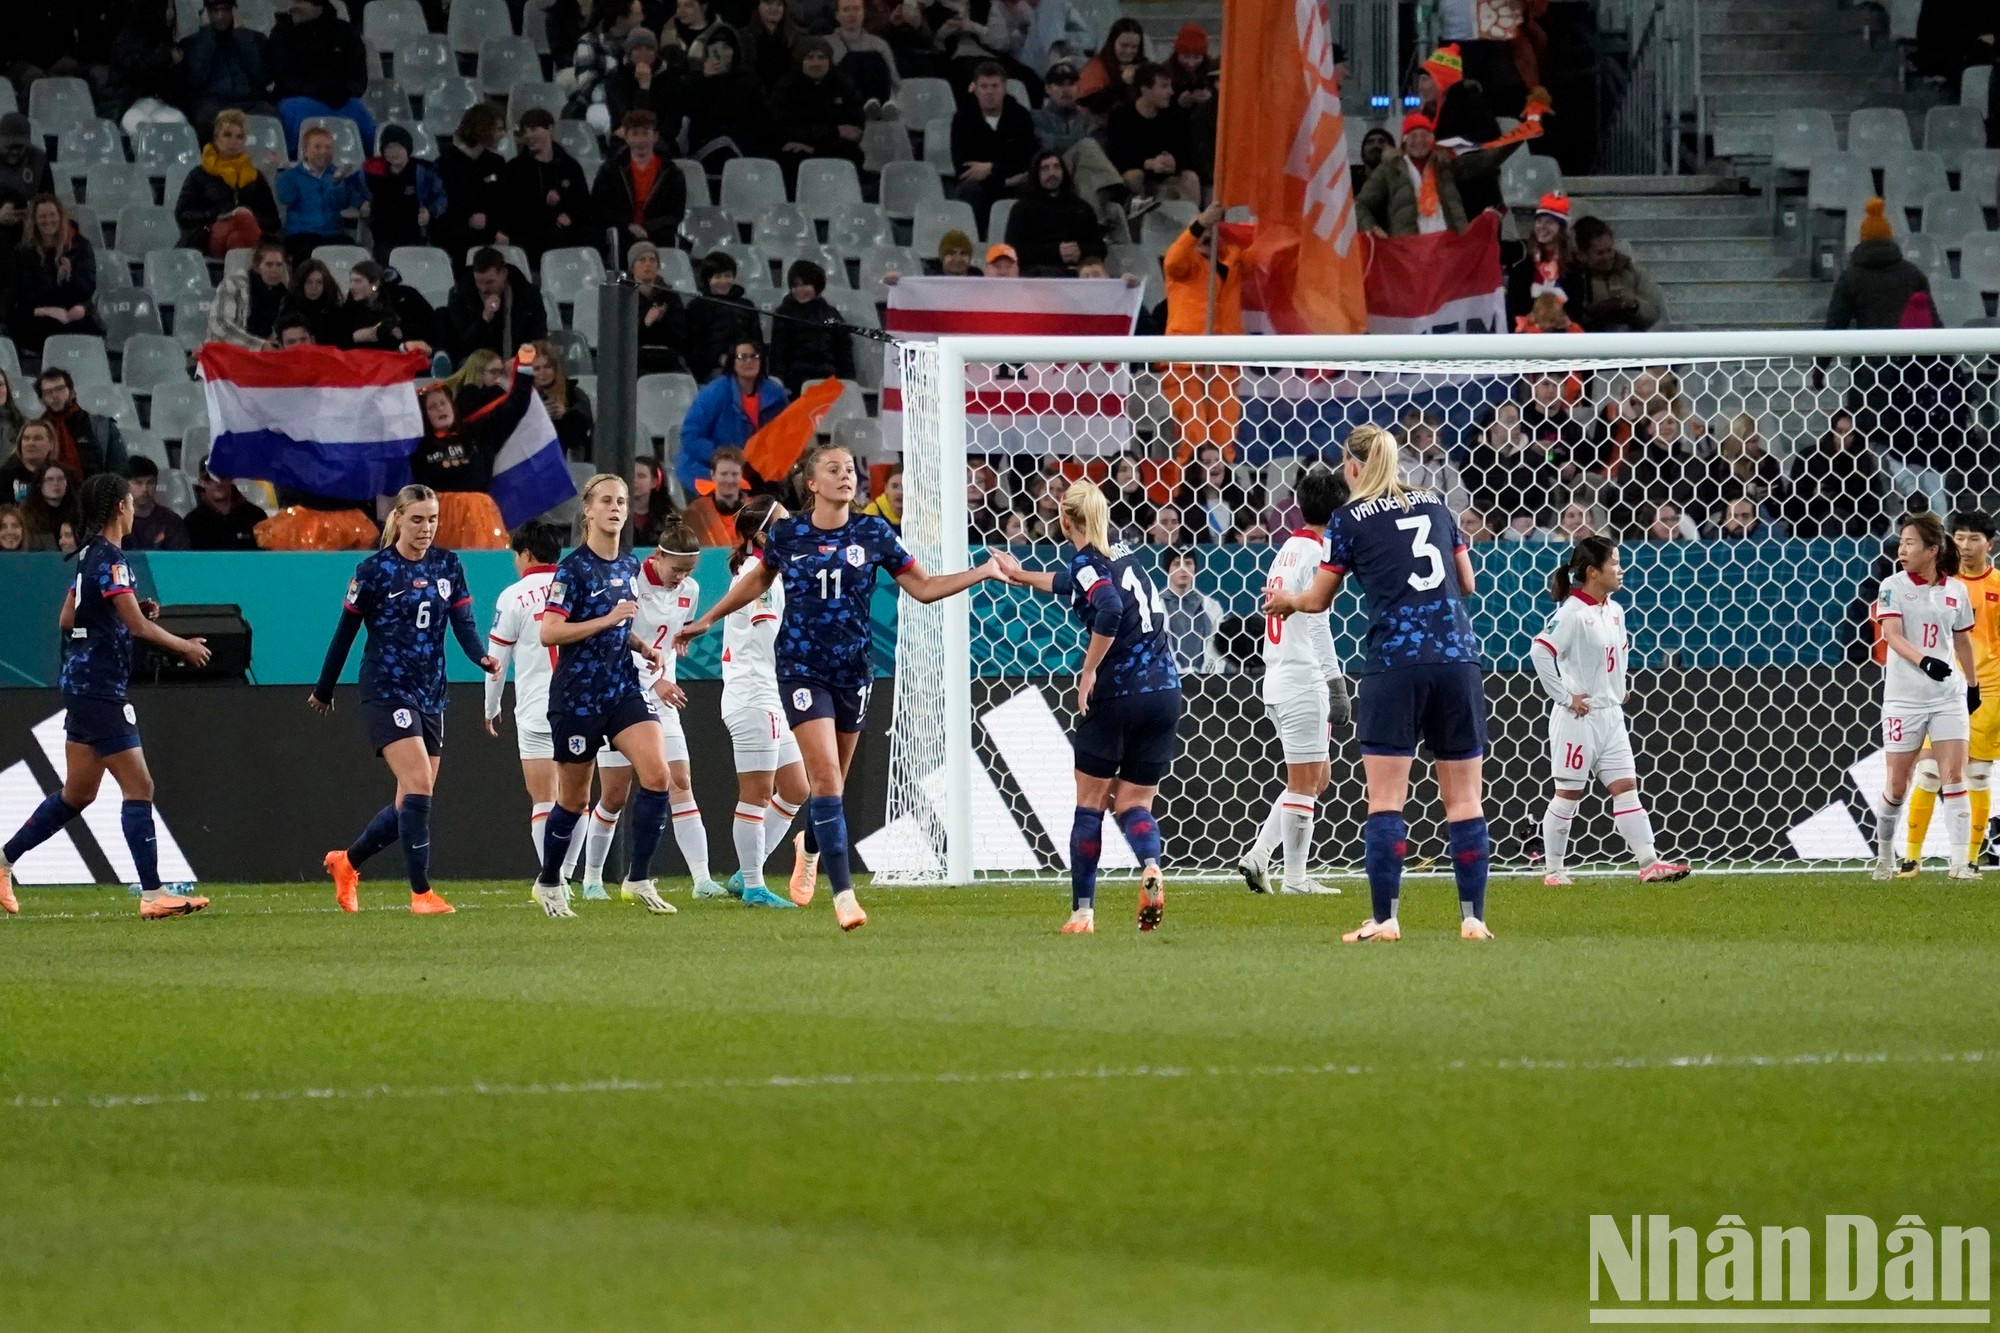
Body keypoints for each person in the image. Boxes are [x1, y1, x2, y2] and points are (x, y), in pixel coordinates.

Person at [677, 442, 1010, 930]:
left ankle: (808, 847)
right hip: (801, 670)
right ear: (811, 483)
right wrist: (707, 618)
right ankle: (845, 898)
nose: (846, 475)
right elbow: (757, 582)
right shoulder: (788, 534)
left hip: (854, 671)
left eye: (851, 468)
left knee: (835, 782)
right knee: (825, 780)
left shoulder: (873, 531)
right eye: (833, 469)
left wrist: (981, 571)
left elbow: (923, 588)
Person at [1266, 423, 1494, 943]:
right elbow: (1467, 583)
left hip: (1394, 663)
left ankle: (1386, 919)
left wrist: (1288, 602)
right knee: (1464, 801)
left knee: (1387, 799)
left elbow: (1318, 599)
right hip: (1458, 659)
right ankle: (1473, 918)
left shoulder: (1347, 520)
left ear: (1351, 467)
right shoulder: (1438, 505)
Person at [0, 474, 214, 918]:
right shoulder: (113, 559)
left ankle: (2, 862)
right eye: (131, 502)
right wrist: (185, 645)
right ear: (120, 507)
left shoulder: (86, 556)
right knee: (140, 786)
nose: (135, 508)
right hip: (100, 689)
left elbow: (67, 618)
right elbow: (136, 627)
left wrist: (122, 613)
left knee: (77, 794)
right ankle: (153, 895)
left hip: (79, 685)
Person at [985, 482, 1179, 933]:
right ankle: (1150, 864)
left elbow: (1107, 608)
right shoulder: (1123, 555)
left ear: (1064, 521)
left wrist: (1089, 670)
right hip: (1165, 691)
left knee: (1089, 805)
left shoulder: (1087, 561)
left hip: (1118, 693)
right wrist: (1020, 575)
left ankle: (1083, 912)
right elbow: (1073, 583)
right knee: (1134, 802)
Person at [313, 485, 498, 914]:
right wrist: (324, 687)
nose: (426, 528)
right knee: (417, 786)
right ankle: (421, 894)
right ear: (397, 518)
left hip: (431, 690)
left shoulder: (449, 565)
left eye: (432, 519)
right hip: (385, 687)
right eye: (417, 519)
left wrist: (480, 657)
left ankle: (348, 862)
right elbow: (346, 632)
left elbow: (463, 624)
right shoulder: (373, 570)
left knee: (411, 801)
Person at [526, 474, 680, 917]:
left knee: (657, 776)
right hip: (578, 697)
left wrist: (640, 645)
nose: (615, 508)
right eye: (606, 501)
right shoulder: (572, 570)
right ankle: (550, 882)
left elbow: (620, 625)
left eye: (622, 501)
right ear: (588, 512)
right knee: (574, 801)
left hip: (622, 689)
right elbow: (549, 632)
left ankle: (638, 879)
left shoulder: (629, 565)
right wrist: (608, 619)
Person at [571, 519, 727, 901]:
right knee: (614, 795)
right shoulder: (629, 584)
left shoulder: (689, 589)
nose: (682, 578)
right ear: (657, 557)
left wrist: (682, 640)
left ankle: (702, 880)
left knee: (681, 782)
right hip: (619, 692)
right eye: (677, 569)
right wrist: (652, 678)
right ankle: (592, 879)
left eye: (689, 571)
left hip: (662, 696)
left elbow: (672, 634)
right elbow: (615, 638)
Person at [1532, 537, 1690, 887]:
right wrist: (1565, 696)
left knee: (1626, 787)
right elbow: (1540, 652)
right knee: (1568, 793)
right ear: (1592, 572)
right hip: (1579, 718)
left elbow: (1612, 657)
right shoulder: (1572, 613)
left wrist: (1617, 687)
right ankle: (1554, 870)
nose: (1621, 570)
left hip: (1611, 715)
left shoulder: (1614, 610)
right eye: (1614, 563)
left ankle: (1649, 863)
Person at [1239, 466, 1349, 896]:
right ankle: (1296, 880)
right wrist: (1335, 681)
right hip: (1304, 678)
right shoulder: (1319, 554)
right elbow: (1318, 622)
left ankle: (1261, 855)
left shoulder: (1286, 549)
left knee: (1316, 778)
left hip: (1278, 674)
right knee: (1306, 783)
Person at [1870, 511, 1980, 882]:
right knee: (1897, 785)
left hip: (1947, 695)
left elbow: (1962, 638)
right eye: (1901, 542)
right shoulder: (1893, 585)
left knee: (1954, 774)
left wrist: (1973, 684)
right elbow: (1893, 635)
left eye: (1910, 543)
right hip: (1904, 699)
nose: (1902, 549)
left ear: (1932, 550)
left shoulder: (1956, 590)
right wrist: (1925, 661)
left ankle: (1960, 864)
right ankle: (1884, 856)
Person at [715, 496, 814, 905]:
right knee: (756, 793)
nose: (793, 528)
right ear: (762, 535)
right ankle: (754, 886)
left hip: (769, 693)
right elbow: (769, 632)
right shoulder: (759, 574)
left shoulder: (764, 571)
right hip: (754, 693)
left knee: (796, 788)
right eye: (784, 523)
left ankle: (745, 874)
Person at [484, 522, 588, 893]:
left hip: (537, 708)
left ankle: (552, 876)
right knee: (577, 797)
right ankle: (567, 872)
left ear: (526, 554)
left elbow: (496, 660)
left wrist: (490, 707)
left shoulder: (513, 596)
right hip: (581, 703)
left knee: (544, 798)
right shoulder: (576, 585)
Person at [1901, 509, 2000, 875]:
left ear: (1989, 544)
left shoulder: (1998, 586)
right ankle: (1911, 857)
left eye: (1974, 538)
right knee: (1928, 772)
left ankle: (1970, 859)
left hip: (1988, 690)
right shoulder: (1937, 586)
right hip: (1939, 688)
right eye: (1959, 537)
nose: (1965, 545)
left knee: (1975, 775)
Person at [1355, 111, 1519, 237]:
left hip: (1449, 248)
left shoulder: (1446, 165)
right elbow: (1360, 205)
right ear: (1404, 141)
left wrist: (1524, 132)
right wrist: (1372, 228)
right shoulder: (1389, 169)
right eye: (1412, 136)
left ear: (1432, 140)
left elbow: (1487, 159)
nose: (1419, 141)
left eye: (1424, 136)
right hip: (1410, 253)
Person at [677, 337, 789, 492]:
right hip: (708, 469)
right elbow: (690, 437)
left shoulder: (776, 394)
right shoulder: (715, 392)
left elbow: (784, 434)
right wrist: (726, 457)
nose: (749, 361)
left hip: (755, 471)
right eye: (742, 357)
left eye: (754, 356)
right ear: (732, 362)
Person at [268, 0, 375, 158]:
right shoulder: (282, 32)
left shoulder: (345, 31)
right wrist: (317, 92)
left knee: (360, 111)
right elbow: (283, 76)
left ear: (318, 5)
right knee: (291, 110)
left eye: (300, 2)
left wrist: (343, 91)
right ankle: (295, 162)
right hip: (297, 98)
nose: (292, 8)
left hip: (340, 99)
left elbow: (358, 78)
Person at [176, 109, 283, 256]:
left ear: (244, 141)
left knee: (236, 239)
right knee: (242, 217)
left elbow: (273, 221)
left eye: (239, 137)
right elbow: (183, 215)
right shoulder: (199, 174)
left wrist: (250, 216)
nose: (233, 141)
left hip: (241, 238)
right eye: (227, 135)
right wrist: (221, 214)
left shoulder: (255, 176)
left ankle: (237, 274)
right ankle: (267, 259)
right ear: (216, 139)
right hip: (209, 236)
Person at [11, 195, 104, 360]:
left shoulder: (80, 246)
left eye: (52, 214)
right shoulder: (23, 252)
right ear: (34, 221)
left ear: (61, 216)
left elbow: (87, 287)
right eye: (42, 216)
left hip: (71, 313)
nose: (48, 220)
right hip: (37, 314)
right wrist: (47, 309)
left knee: (86, 327)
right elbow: (24, 294)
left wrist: (67, 281)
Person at [503, 109, 598, 268]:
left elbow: (583, 203)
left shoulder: (570, 166)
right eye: (525, 131)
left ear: (550, 129)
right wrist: (552, 218)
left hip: (567, 227)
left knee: (588, 235)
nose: (529, 135)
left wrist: (570, 218)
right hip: (533, 230)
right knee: (553, 237)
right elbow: (516, 209)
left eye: (533, 129)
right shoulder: (516, 168)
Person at [952, 61, 1039, 232]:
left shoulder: (1021, 115)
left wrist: (991, 167)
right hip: (986, 185)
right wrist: (1004, 179)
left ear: (1005, 88)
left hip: (1014, 183)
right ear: (975, 89)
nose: (990, 92)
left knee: (1030, 186)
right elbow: (964, 168)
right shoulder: (962, 118)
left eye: (995, 86)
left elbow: (1027, 159)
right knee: (970, 188)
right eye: (984, 86)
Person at [591, 109, 687, 266]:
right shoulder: (610, 170)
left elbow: (675, 213)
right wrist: (629, 226)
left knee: (667, 236)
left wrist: (648, 228)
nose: (640, 140)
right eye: (635, 134)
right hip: (623, 228)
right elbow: (600, 207)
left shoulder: (672, 172)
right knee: (618, 236)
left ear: (655, 136)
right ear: (626, 137)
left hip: (656, 230)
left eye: (645, 133)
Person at [770, 37, 866, 192]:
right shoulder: (786, 87)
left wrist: (815, 143)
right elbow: (783, 127)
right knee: (792, 157)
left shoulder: (844, 84)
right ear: (801, 61)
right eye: (810, 58)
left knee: (852, 155)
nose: (816, 63)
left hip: (834, 148)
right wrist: (834, 131)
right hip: (799, 148)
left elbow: (854, 130)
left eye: (822, 57)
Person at [1105, 63, 1201, 207]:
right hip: (1137, 173)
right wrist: (1146, 164)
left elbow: (1187, 151)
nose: (1171, 92)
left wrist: (1174, 161)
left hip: (1165, 175)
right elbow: (1117, 155)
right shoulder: (1120, 116)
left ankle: (1195, 225)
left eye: (1170, 86)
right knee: (1134, 176)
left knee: (1190, 178)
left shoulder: (1174, 115)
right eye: (1164, 87)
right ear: (1145, 89)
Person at [1825, 199, 1931, 330]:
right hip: (1906, 348)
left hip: (1869, 348)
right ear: (1889, 237)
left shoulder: (1850, 278)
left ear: (1862, 239)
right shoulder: (1913, 274)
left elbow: (1835, 326)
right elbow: (1932, 321)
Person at [177, 0, 275, 137]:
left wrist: (241, 35)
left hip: (250, 101)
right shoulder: (193, 43)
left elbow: (262, 77)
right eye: (214, 11)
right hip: (212, 103)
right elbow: (195, 79)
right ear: (206, 12)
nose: (220, 16)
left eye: (225, 10)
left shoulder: (255, 38)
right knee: (204, 118)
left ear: (233, 11)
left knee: (269, 116)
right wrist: (207, 34)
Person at [275, 124, 368, 263]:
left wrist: (337, 183)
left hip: (332, 234)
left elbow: (341, 203)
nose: (324, 151)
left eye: (328, 147)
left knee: (351, 253)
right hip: (302, 234)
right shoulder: (292, 175)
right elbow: (286, 198)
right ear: (305, 151)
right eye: (318, 147)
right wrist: (283, 172)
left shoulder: (336, 173)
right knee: (306, 253)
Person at [445, 247, 550, 365]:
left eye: (490, 282)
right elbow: (462, 347)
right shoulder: (460, 295)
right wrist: (484, 319)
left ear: (503, 274)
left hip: (518, 362)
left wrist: (518, 361)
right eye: (479, 282)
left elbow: (537, 337)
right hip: (478, 366)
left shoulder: (528, 295)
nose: (484, 288)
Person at [1006, 148, 1104, 274]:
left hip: (1079, 274)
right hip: (1038, 276)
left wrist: (1080, 251)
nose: (1052, 173)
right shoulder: (1022, 209)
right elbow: (1013, 252)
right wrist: (1056, 252)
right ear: (1037, 174)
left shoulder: (1082, 208)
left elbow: (1100, 248)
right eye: (1045, 169)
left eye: (1057, 167)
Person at [436, 105, 512, 264]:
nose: (502, 135)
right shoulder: (445, 164)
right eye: (498, 129)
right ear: (482, 129)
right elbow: (443, 209)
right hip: (459, 234)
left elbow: (503, 202)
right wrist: (468, 220)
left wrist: (497, 230)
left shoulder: (496, 162)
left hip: (492, 231)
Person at [362, 125, 448, 263]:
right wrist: (364, 204)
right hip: (383, 237)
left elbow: (441, 197)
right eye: (389, 147)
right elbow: (359, 194)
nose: (393, 152)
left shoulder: (425, 171)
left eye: (398, 147)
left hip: (414, 236)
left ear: (407, 148)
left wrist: (430, 212)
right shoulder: (373, 172)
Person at [767, 259, 856, 394]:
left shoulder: (832, 314)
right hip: (795, 383)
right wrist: (779, 383)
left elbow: (844, 353)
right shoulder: (783, 313)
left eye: (805, 285)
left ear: (817, 286)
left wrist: (848, 383)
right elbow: (778, 354)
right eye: (796, 285)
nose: (799, 290)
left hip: (829, 382)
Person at [1566, 216, 1666, 333]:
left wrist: (1634, 305)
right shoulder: (1571, 277)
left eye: (1609, 250)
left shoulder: (1631, 271)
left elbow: (1654, 313)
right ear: (1582, 255)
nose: (1607, 257)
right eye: (1600, 253)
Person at [604, 27, 689, 146]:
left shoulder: (671, 81)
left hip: (660, 141)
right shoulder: (616, 79)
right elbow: (626, 119)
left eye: (649, 49)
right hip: (626, 141)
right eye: (638, 49)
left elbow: (671, 125)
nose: (643, 54)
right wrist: (643, 89)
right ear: (629, 53)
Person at [37, 369, 127, 480]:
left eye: (59, 389)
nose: (54, 396)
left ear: (72, 392)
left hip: (92, 494)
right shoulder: (37, 430)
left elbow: (118, 472)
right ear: (41, 399)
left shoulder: (101, 427)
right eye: (47, 392)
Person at [685, 250, 760, 380]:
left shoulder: (746, 305)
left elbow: (756, 342)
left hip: (746, 365)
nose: (723, 281)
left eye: (727, 275)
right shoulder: (697, 306)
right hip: (713, 369)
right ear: (708, 280)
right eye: (717, 277)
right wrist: (719, 359)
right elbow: (694, 348)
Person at [208, 237, 292, 350]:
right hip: (230, 351)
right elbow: (220, 324)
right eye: (269, 265)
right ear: (258, 267)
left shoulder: (285, 293)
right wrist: (259, 345)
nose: (275, 269)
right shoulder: (233, 285)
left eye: (279, 265)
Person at [1507, 192, 1573, 324]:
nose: (1542, 227)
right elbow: (1514, 306)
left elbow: (1575, 309)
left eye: (1549, 222)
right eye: (1539, 221)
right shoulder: (1523, 259)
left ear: (1561, 228)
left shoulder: (1572, 265)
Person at [630, 241, 693, 374]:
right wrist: (645, 323)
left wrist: (663, 321)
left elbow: (681, 337)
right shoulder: (624, 296)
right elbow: (621, 338)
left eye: (652, 260)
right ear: (632, 267)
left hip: (667, 357)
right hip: (635, 358)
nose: (648, 264)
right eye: (641, 260)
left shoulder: (670, 296)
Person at [1158, 546, 1223, 671]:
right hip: (1170, 680)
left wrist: (1206, 676)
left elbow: (1217, 647)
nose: (1183, 569)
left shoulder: (1211, 606)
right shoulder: (1156, 606)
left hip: (1206, 682)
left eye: (1188, 563)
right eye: (1177, 564)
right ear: (1168, 569)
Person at [826, 0, 900, 109]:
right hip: (842, 103)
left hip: (878, 105)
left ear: (863, 13)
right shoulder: (826, 44)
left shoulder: (879, 44)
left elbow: (894, 80)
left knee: (873, 58)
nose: (852, 14)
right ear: (837, 15)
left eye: (856, 9)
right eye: (846, 9)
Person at [184, 466, 268, 550]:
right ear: (201, 483)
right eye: (210, 478)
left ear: (231, 479)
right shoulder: (192, 523)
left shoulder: (256, 516)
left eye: (222, 476)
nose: (218, 483)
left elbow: (267, 557)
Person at [682, 444, 750, 545]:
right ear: (713, 475)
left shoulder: (756, 509)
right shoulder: (696, 512)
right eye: (723, 474)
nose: (729, 480)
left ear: (742, 476)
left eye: (735, 474)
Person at [1076, 16, 1144, 114]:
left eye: (1134, 47)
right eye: (1124, 45)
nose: (1129, 51)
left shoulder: (1143, 67)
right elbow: (1090, 105)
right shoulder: (1096, 68)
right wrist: (1122, 83)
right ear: (1112, 43)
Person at [123, 457, 189, 551]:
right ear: (125, 485)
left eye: (150, 483)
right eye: (138, 483)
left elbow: (180, 560)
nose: (145, 489)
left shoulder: (171, 521)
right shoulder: (115, 521)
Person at [279, 258, 343, 343]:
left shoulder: (334, 309)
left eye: (319, 282)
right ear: (301, 283)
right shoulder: (289, 306)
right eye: (309, 282)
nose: (314, 287)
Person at [21, 463, 81, 550]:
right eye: (50, 479)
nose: (55, 483)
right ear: (39, 484)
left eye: (60, 479)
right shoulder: (26, 516)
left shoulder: (79, 513)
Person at [3, 419, 61, 505]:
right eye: (26, 438)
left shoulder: (65, 476)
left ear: (51, 444)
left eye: (37, 438)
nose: (31, 443)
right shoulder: (5, 477)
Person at [859, 462, 901, 528]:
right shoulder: (870, 515)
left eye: (905, 487)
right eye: (894, 486)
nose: (899, 492)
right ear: (886, 488)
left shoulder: (920, 514)